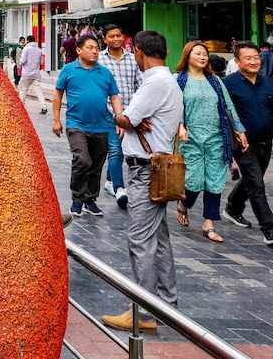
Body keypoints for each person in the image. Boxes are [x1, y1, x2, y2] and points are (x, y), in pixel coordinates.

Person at [102, 31, 183, 333]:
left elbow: (126, 119)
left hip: (146, 170)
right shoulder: (166, 81)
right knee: (158, 240)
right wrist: (131, 118)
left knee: (140, 240)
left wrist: (125, 116)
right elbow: (134, 119)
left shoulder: (155, 82)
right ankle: (166, 305)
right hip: (155, 167)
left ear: (138, 52)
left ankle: (144, 310)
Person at [222, 41, 273, 248]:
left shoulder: (268, 83)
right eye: (248, 58)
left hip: (266, 142)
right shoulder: (228, 84)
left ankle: (232, 207)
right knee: (256, 184)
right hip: (244, 144)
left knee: (252, 179)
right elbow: (224, 114)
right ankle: (270, 229)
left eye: (257, 57)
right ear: (237, 61)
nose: (254, 61)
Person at [172, 41, 248, 244]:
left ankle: (209, 224)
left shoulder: (215, 80)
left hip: (216, 138)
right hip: (190, 139)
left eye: (205, 54)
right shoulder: (178, 80)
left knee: (215, 181)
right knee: (194, 181)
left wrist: (239, 130)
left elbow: (228, 107)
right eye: (197, 53)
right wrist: (179, 126)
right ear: (187, 56)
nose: (202, 57)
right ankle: (183, 204)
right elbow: (172, 106)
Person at [52, 34, 121, 218]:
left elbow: (114, 96)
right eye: (90, 47)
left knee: (97, 165)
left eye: (96, 48)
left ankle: (90, 200)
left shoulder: (104, 73)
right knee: (83, 160)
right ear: (79, 50)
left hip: (102, 125)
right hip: (76, 124)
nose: (94, 51)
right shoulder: (68, 70)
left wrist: (120, 117)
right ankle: (77, 199)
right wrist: (56, 120)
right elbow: (58, 95)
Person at [98, 23, 141, 210]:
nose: (116, 39)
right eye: (111, 36)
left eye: (118, 35)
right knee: (115, 149)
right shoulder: (98, 60)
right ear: (105, 39)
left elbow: (139, 86)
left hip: (131, 114)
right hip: (107, 113)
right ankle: (119, 188)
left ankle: (109, 181)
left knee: (123, 150)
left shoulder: (133, 60)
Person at [18, 36, 48, 114]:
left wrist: (20, 63)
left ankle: (21, 107)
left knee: (23, 89)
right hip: (36, 74)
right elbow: (41, 62)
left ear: (28, 41)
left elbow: (22, 60)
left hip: (26, 74)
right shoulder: (39, 50)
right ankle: (44, 107)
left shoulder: (26, 49)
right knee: (38, 91)